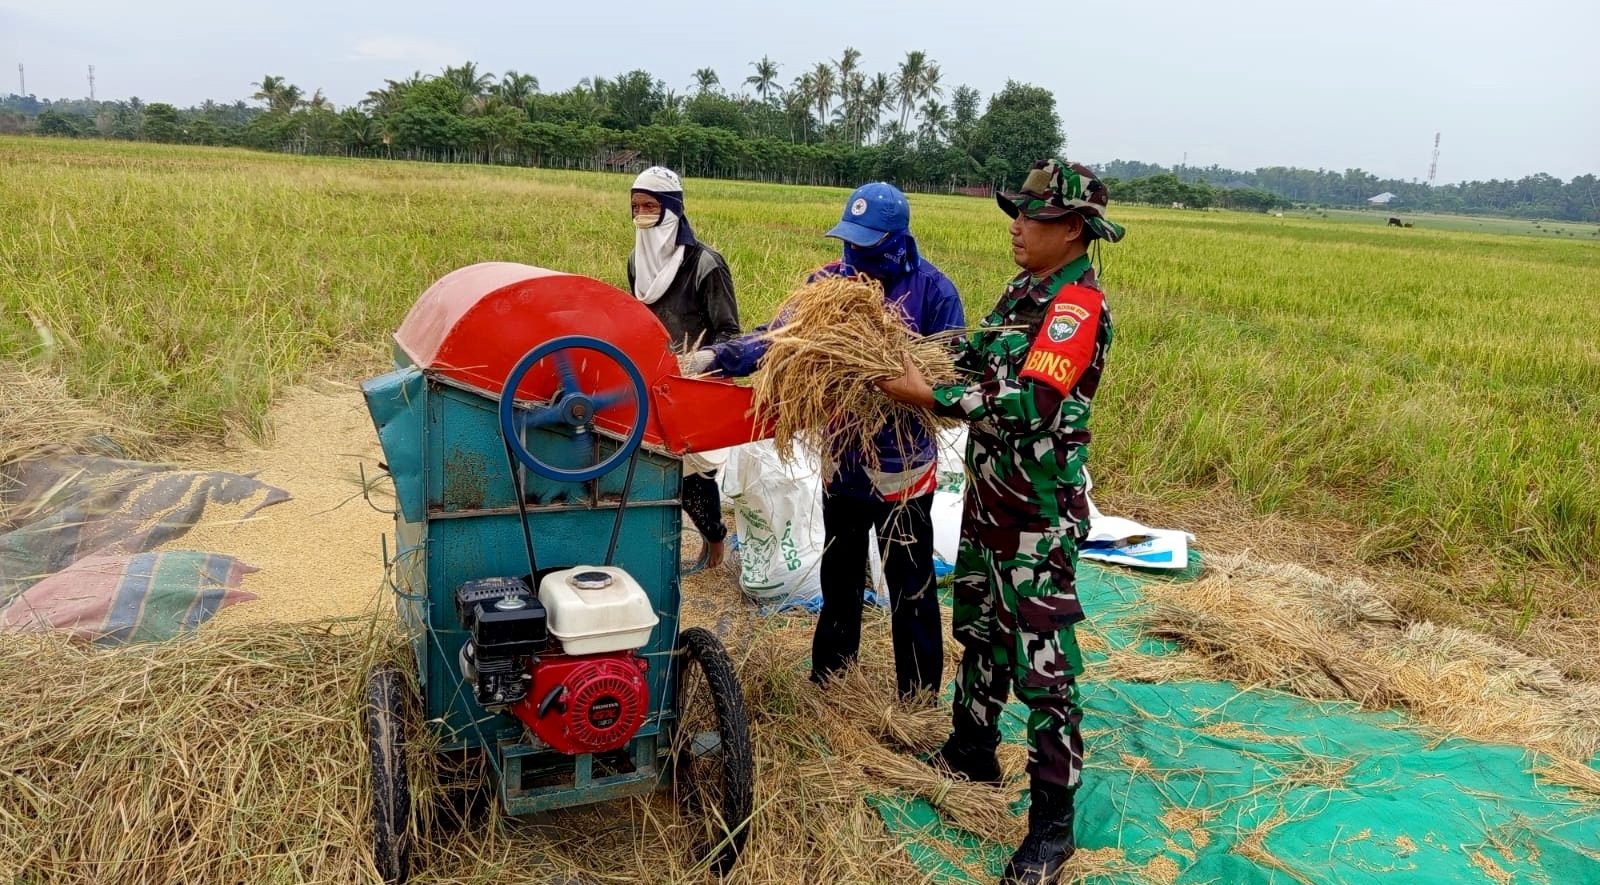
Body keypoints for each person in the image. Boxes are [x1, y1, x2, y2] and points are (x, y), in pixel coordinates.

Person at [876, 159, 1125, 885]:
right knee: (980, 631)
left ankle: (1051, 828)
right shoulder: (1022, 292)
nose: (1016, 226)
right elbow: (975, 357)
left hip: (1036, 517)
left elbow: (1033, 405)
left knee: (1044, 671)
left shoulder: (1074, 308)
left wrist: (932, 398)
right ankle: (970, 751)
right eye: (1014, 212)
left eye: (1032, 216)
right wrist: (906, 353)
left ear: (1072, 229)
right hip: (989, 503)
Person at [685, 182, 965, 699]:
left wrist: (904, 385)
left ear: (897, 240)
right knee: (839, 578)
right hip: (844, 461)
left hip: (903, 467)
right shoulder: (829, 284)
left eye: (866, 243)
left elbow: (952, 379)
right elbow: (779, 339)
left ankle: (918, 697)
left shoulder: (934, 292)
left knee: (911, 587)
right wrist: (718, 358)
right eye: (849, 240)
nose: (854, 252)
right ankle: (831, 680)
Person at [627, 166, 740, 567]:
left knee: (694, 473)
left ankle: (714, 538)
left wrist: (697, 362)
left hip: (697, 380)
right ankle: (661, 550)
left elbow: (730, 333)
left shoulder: (705, 264)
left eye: (651, 206)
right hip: (654, 378)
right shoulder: (636, 262)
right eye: (636, 206)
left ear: (671, 209)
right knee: (653, 465)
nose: (642, 214)